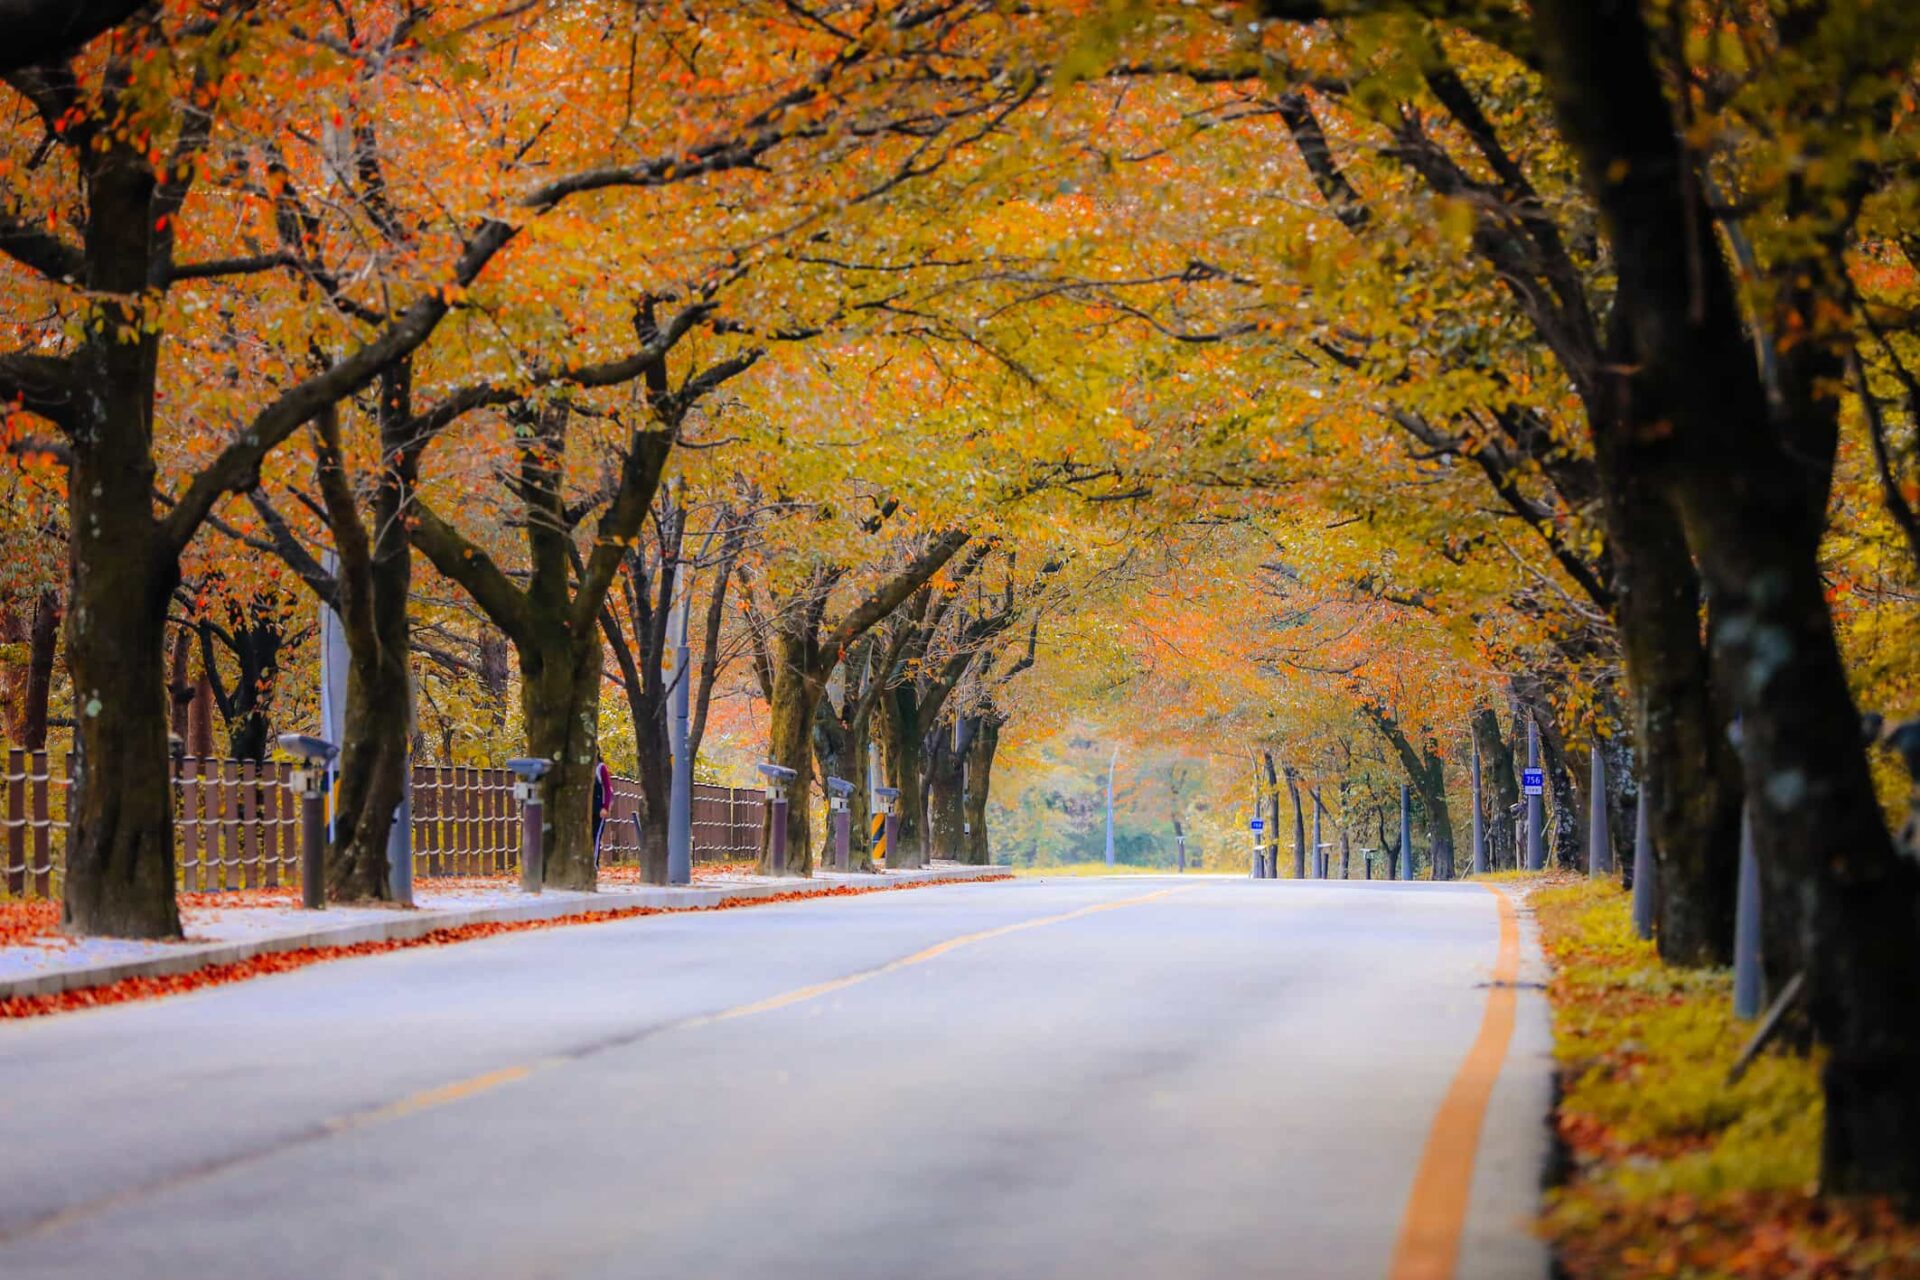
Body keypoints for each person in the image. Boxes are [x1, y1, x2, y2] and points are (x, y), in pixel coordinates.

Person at [592, 758, 613, 866]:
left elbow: (608, 789)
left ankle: (594, 863)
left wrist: (605, 807)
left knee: (596, 836)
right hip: (588, 808)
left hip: (598, 809)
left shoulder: (600, 768)